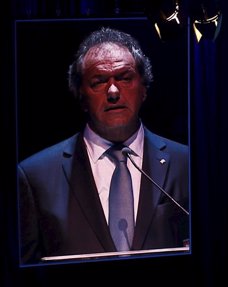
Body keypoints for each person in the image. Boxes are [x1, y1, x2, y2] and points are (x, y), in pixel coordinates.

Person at [17, 27, 189, 265]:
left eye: (125, 78)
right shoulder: (35, 176)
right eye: (98, 82)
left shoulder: (186, 163)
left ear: (144, 89)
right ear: (80, 95)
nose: (113, 91)